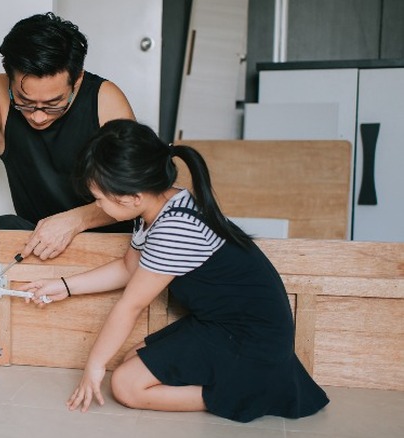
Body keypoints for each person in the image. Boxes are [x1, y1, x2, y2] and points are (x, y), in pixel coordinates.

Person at [20, 119, 330, 423]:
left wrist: (94, 365)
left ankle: (252, 391)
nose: (97, 207)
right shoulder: (160, 204)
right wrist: (64, 285)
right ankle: (244, 382)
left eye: (100, 199)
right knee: (131, 362)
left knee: (126, 385)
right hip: (223, 325)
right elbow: (130, 268)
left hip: (249, 338)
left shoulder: (175, 228)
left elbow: (131, 306)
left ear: (133, 197)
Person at [0, 12, 136, 260]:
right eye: (25, 102)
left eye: (54, 104)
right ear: (9, 76)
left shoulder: (105, 99)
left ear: (77, 80)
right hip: (39, 240)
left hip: (113, 242)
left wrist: (76, 220)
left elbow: (135, 191)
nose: (38, 117)